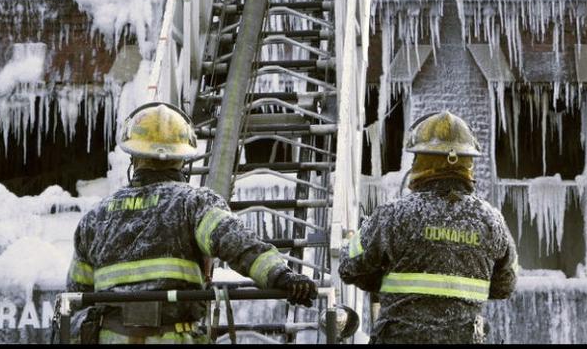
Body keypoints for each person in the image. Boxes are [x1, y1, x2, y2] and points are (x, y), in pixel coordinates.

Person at [66, 101, 317, 344]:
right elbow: (237, 243)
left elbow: (76, 297)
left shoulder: (96, 217)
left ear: (134, 157)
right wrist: (280, 276)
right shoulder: (194, 203)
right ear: (182, 160)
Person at [339, 111, 518, 344]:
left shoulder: (393, 215)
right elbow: (505, 286)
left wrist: (384, 278)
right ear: (468, 164)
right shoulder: (491, 222)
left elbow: (348, 266)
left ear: (421, 162)